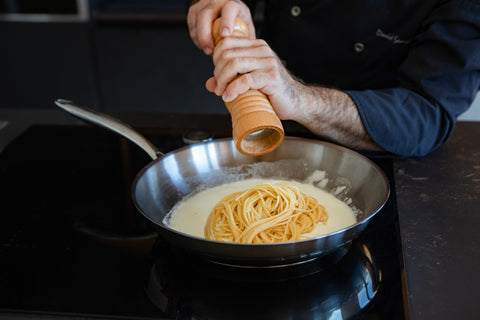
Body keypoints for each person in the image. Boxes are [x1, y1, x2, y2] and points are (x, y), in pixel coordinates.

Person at [187, 0, 480, 157]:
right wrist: (221, 5)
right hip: (270, 125)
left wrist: (301, 100)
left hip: (377, 156)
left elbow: (426, 112)